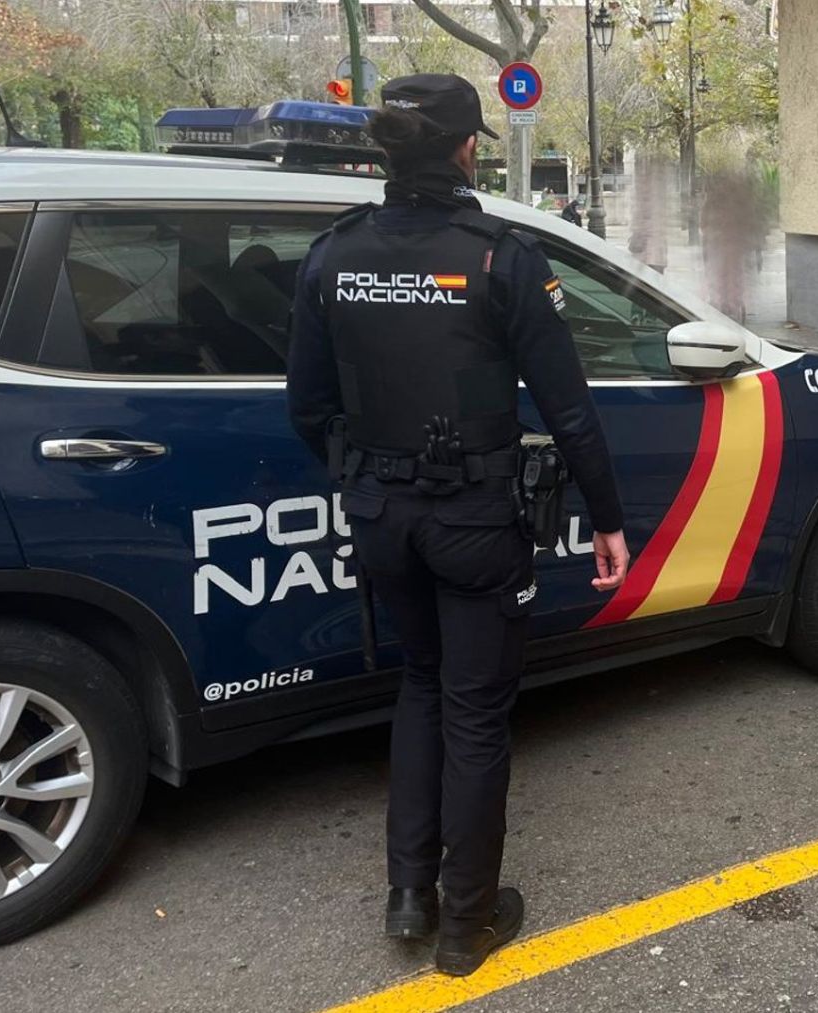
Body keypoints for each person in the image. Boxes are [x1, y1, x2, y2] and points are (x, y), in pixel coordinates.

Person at [286, 73, 630, 977]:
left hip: (381, 518)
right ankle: (465, 923)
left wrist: (363, 475)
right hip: (475, 520)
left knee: (422, 687)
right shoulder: (498, 255)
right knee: (476, 713)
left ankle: (410, 895)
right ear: (468, 146)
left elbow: (307, 404)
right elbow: (572, 411)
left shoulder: (334, 254)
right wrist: (607, 518)